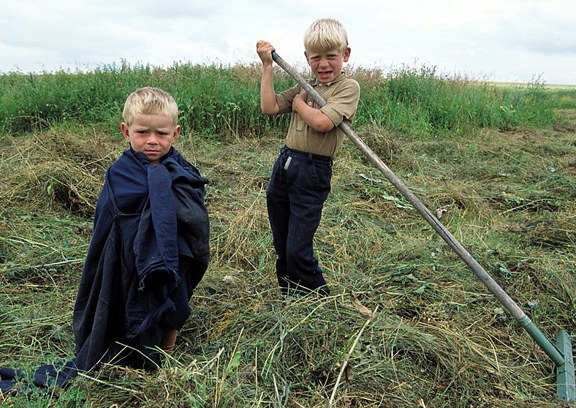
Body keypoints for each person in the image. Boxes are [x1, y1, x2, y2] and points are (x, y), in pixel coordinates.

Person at [1, 87, 211, 396]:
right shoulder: (120, 174)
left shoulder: (183, 173)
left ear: (175, 133)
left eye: (161, 133)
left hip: (173, 258)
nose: (152, 140)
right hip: (124, 259)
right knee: (124, 305)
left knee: (175, 301)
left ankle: (163, 355)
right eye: (142, 132)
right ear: (126, 131)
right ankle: (125, 348)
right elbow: (108, 226)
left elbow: (196, 219)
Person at [256, 18, 360, 296]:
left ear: (345, 55)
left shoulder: (347, 88)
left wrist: (300, 103)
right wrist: (267, 67)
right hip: (286, 165)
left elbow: (323, 122)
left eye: (331, 56)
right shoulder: (305, 84)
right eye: (316, 58)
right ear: (307, 58)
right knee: (282, 244)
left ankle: (321, 303)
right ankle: (290, 295)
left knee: (298, 249)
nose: (324, 64)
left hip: (312, 172)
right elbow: (269, 106)